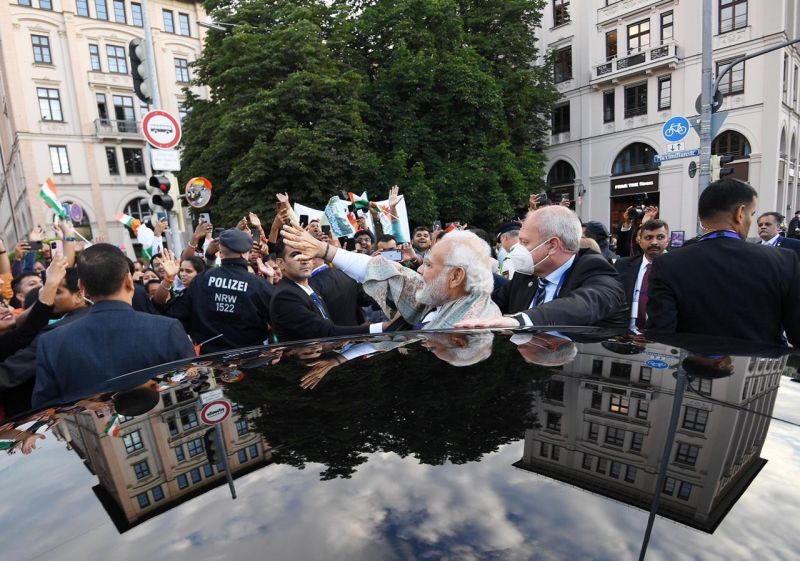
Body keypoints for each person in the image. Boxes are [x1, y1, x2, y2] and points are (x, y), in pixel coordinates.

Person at [32, 244, 195, 407]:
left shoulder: (51, 343)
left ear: (82, 288)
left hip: (90, 429)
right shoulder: (166, 329)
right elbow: (192, 383)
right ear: (129, 280)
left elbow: (44, 410)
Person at [647, 178, 800, 346]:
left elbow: (661, 334)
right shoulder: (784, 261)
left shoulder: (667, 263)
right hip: (762, 359)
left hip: (688, 364)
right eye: (752, 214)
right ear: (740, 213)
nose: (750, 222)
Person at [281, 225, 501, 329]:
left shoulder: (472, 325)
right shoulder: (442, 296)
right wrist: (325, 250)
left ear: (455, 276)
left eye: (428, 265)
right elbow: (389, 272)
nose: (419, 271)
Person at [457, 205, 628, 329]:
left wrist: (521, 321)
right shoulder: (525, 275)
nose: (517, 249)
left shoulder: (595, 269)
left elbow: (584, 304)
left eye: (524, 242)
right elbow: (491, 304)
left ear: (552, 245)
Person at [169, 229, 273, 353]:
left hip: (210, 360)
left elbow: (179, 315)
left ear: (220, 251)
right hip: (250, 359)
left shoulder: (201, 279)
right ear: (245, 252)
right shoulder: (259, 285)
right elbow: (281, 321)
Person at [269, 238, 386, 342]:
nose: (304, 259)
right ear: (280, 263)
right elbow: (325, 332)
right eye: (295, 254)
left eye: (307, 253)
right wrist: (379, 328)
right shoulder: (285, 295)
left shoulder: (309, 287)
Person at [614, 219, 670, 332]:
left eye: (660, 237)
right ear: (640, 241)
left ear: (667, 241)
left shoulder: (676, 268)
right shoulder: (622, 265)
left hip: (663, 338)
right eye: (648, 237)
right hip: (626, 335)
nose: (654, 242)